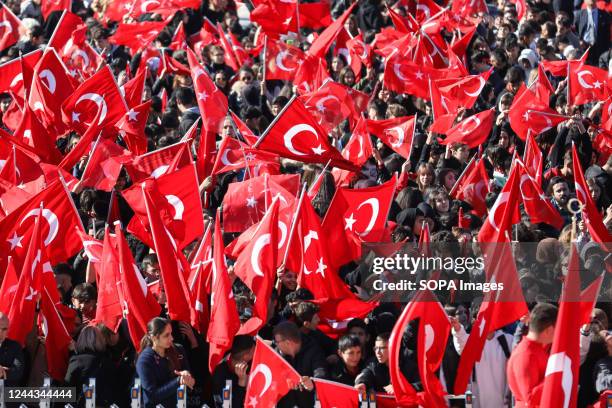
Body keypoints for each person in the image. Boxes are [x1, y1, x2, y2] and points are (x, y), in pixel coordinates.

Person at [136, 317, 196, 408]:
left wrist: (188, 378)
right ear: (154, 338)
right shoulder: (144, 360)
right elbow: (152, 395)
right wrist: (178, 381)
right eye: (166, 335)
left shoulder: (178, 349)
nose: (171, 338)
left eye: (171, 333)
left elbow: (191, 381)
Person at [507, 303, 558, 407]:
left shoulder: (536, 349)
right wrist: (556, 375)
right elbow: (530, 399)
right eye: (558, 328)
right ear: (549, 330)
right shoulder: (525, 354)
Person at [272, 321, 327, 407]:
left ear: (288, 343)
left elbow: (321, 374)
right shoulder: (277, 354)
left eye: (277, 342)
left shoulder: (314, 350)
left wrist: (312, 383)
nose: (276, 344)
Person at [211, 335, 255, 408]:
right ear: (246, 356)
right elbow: (228, 405)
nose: (256, 350)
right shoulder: (221, 374)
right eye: (254, 349)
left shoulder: (249, 362)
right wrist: (241, 383)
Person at [0, 312, 24, 387]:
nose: (0, 332)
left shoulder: (15, 347)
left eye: (4, 329)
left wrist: (3, 372)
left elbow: (18, 370)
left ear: (8, 330)